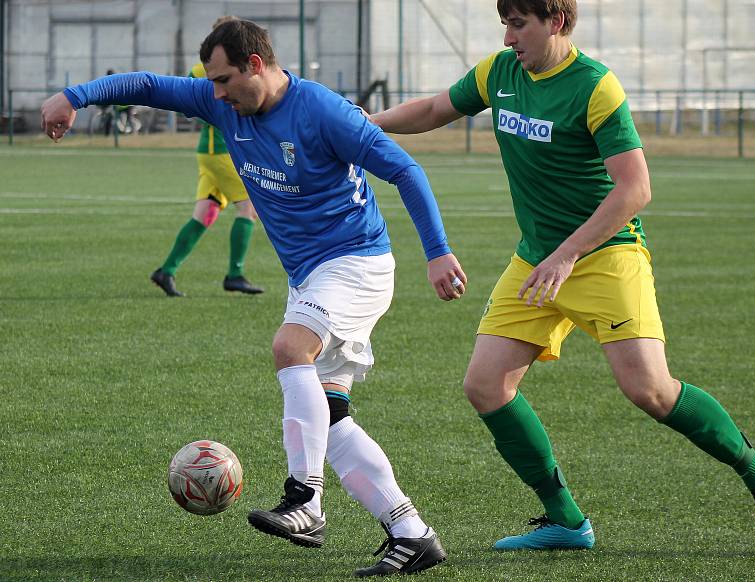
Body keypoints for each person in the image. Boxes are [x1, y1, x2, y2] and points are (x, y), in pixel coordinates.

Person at [42, 17, 465, 577]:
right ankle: (410, 531)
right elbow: (144, 84)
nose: (214, 93)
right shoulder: (223, 104)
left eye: (223, 80)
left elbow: (405, 170)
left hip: (356, 264)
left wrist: (437, 252)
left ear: (257, 65)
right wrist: (74, 96)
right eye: (211, 83)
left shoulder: (322, 111)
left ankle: (305, 501)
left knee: (291, 348)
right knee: (331, 419)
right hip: (310, 278)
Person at [371, 0, 755, 556]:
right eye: (505, 22)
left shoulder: (596, 87)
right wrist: (357, 123)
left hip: (604, 255)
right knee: (485, 386)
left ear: (558, 23)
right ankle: (566, 520)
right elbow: (431, 110)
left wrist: (568, 255)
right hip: (536, 259)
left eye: (519, 23)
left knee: (649, 390)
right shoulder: (498, 72)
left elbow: (634, 189)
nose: (508, 36)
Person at [150, 17, 264, 298]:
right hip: (221, 151)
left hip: (208, 152)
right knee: (249, 208)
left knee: (205, 213)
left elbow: (183, 105)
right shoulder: (209, 70)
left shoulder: (198, 70)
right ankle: (235, 274)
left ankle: (166, 270)